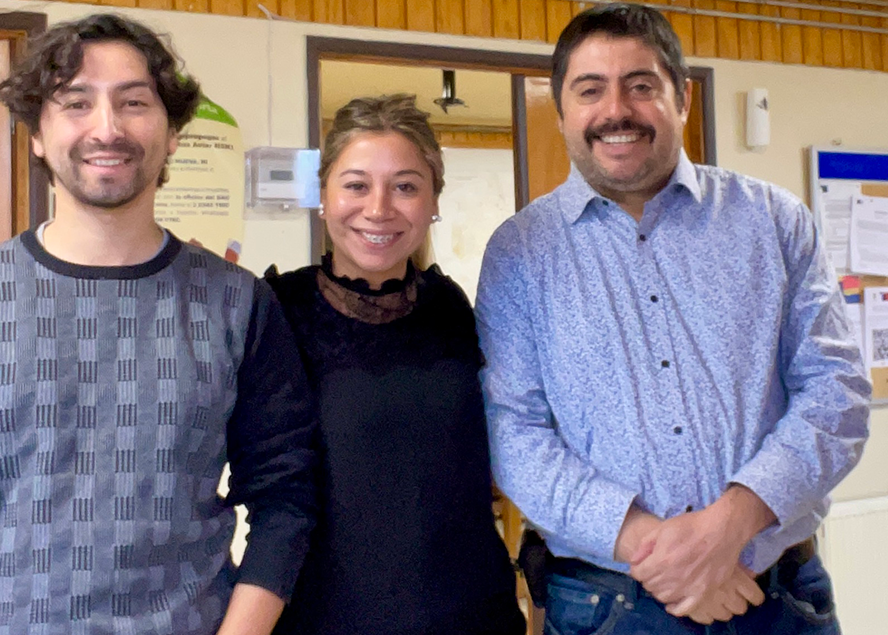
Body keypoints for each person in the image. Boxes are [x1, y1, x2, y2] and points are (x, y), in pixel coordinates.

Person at [0, 14, 316, 635]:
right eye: (76, 103)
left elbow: (286, 497)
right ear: (38, 136)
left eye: (134, 102)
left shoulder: (238, 304)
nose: (107, 128)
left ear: (172, 133)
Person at [475, 4, 870, 634]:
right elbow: (514, 434)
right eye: (590, 90)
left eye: (640, 85)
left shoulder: (774, 221)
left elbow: (837, 392)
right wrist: (655, 551)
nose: (616, 110)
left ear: (681, 97)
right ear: (562, 112)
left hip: (779, 599)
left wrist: (729, 527)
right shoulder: (520, 253)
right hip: (609, 607)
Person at [265, 94, 525, 635]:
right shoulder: (277, 311)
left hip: (474, 615)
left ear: (433, 200)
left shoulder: (452, 307)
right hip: (329, 618)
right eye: (356, 184)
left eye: (405, 186)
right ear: (323, 195)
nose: (379, 208)